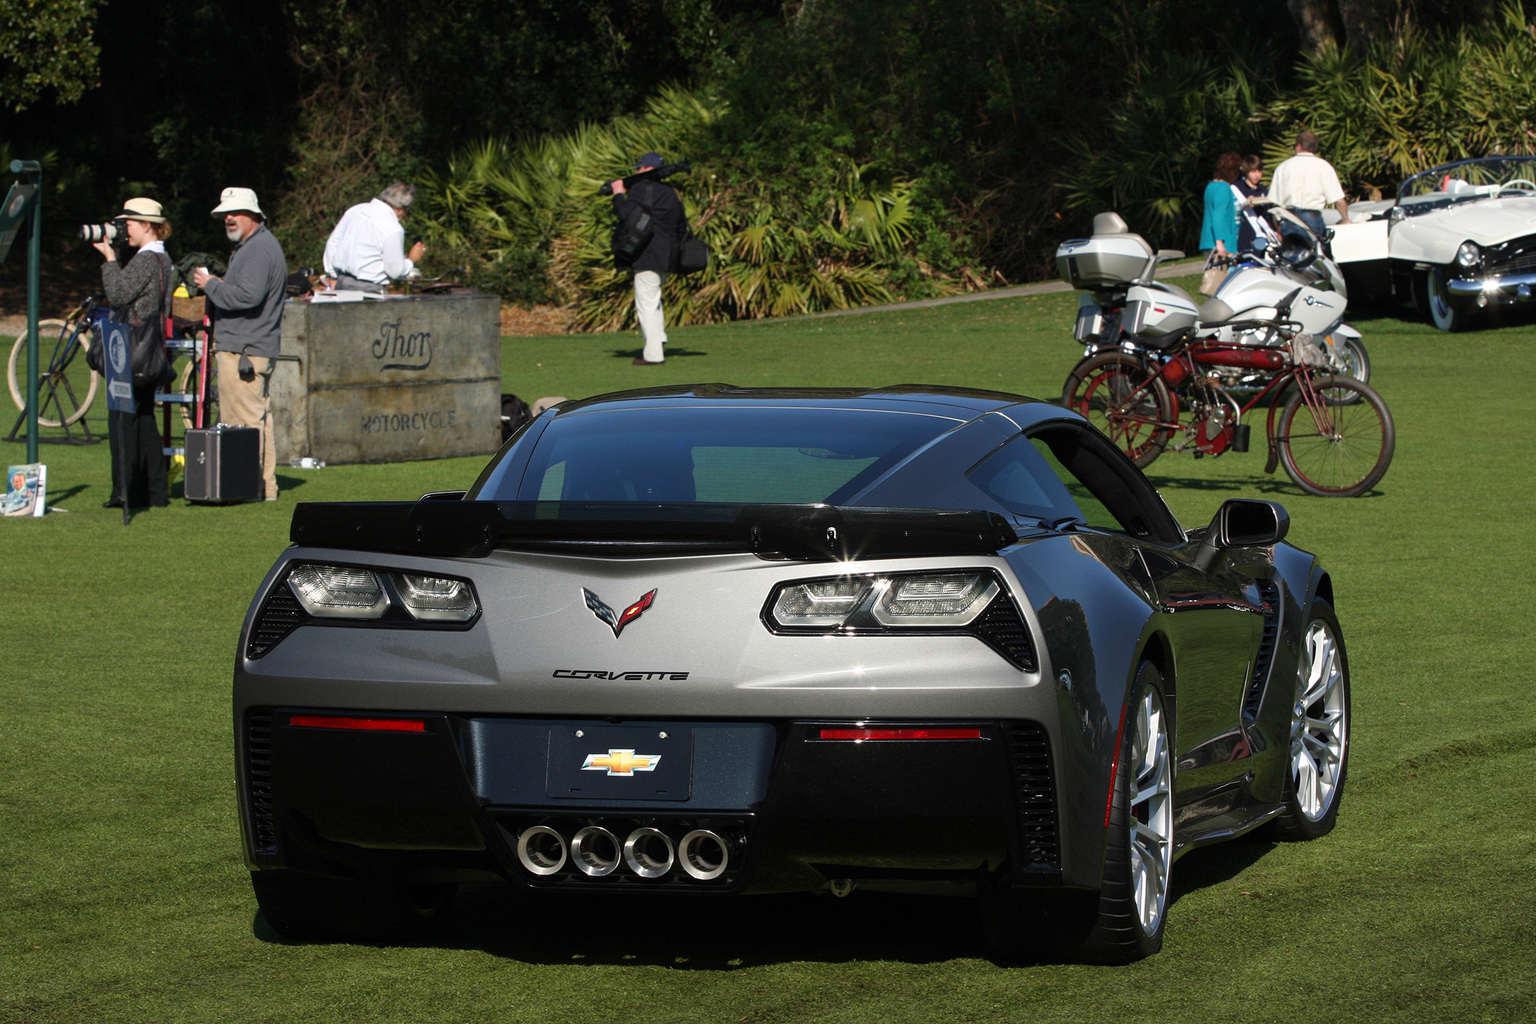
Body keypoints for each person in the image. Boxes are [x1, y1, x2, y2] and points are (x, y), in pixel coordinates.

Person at [191, 187, 286, 501]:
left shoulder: (258, 249)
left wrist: (211, 285)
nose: (228, 218)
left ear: (254, 214)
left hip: (244, 351)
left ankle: (246, 489)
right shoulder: (257, 245)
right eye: (224, 215)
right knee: (258, 423)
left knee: (242, 426)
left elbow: (248, 295)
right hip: (253, 348)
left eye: (234, 213)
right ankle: (264, 488)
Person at [94, 197, 174, 509]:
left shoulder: (144, 260)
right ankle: (155, 491)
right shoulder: (163, 260)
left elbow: (117, 294)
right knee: (144, 419)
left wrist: (109, 260)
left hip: (132, 352)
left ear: (147, 226)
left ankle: (125, 491)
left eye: (129, 223)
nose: (124, 228)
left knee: (123, 420)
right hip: (151, 350)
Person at [609, 152, 683, 365]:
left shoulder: (640, 189)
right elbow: (679, 223)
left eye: (640, 168)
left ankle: (653, 356)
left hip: (647, 254)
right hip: (668, 256)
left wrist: (618, 194)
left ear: (648, 169)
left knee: (647, 304)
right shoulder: (671, 192)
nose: (638, 172)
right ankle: (659, 340)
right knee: (654, 301)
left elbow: (624, 214)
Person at [322, 182, 426, 293]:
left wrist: (333, 276)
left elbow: (333, 243)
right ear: (401, 208)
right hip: (369, 290)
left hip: (342, 283)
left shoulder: (355, 210)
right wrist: (411, 259)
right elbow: (394, 271)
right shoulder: (393, 228)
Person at [1268, 130, 1351, 240]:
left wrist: (1278, 229)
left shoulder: (1283, 167)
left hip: (1289, 218)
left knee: (1291, 255)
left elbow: (1275, 204)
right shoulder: (1324, 167)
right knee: (1315, 253)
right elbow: (1339, 201)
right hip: (1312, 218)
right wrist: (1346, 219)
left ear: (1298, 146)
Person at [1198, 152, 1242, 258]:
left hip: (1209, 242)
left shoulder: (1211, 186)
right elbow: (1219, 216)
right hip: (1223, 244)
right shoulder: (1224, 188)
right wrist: (1220, 243)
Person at [1235, 154, 1280, 255]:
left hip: (1263, 236)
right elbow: (1232, 210)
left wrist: (1274, 232)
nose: (1257, 175)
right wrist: (1246, 203)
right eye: (1253, 171)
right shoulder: (1237, 188)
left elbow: (1267, 214)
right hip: (1245, 236)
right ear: (1246, 171)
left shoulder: (1263, 189)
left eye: (1259, 171)